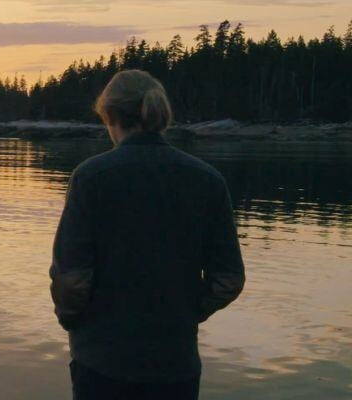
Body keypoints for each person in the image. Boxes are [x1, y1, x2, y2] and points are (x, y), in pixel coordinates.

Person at [49, 70, 245, 400]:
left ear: (109, 116)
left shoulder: (91, 178)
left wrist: (74, 323)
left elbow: (72, 280)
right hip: (176, 366)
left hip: (102, 363)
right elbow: (228, 279)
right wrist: (185, 312)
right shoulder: (208, 180)